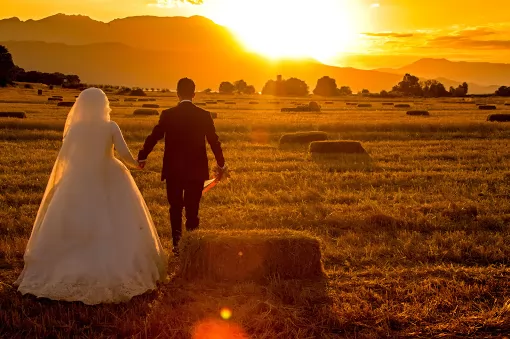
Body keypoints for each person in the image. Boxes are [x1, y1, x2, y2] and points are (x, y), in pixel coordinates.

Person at [15, 88, 167, 305]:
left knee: (72, 223)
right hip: (110, 174)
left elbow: (66, 158)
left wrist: (77, 171)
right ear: (103, 105)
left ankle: (64, 266)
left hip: (78, 177)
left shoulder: (75, 129)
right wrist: (137, 164)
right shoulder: (110, 127)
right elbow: (123, 153)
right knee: (118, 222)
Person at [138, 78, 226, 256]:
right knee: (193, 210)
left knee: (175, 208)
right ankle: (192, 247)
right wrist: (221, 162)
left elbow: (154, 136)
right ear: (194, 94)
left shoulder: (168, 114)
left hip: (173, 170)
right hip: (196, 170)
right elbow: (213, 140)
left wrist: (142, 155)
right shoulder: (204, 115)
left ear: (177, 94)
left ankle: (177, 246)